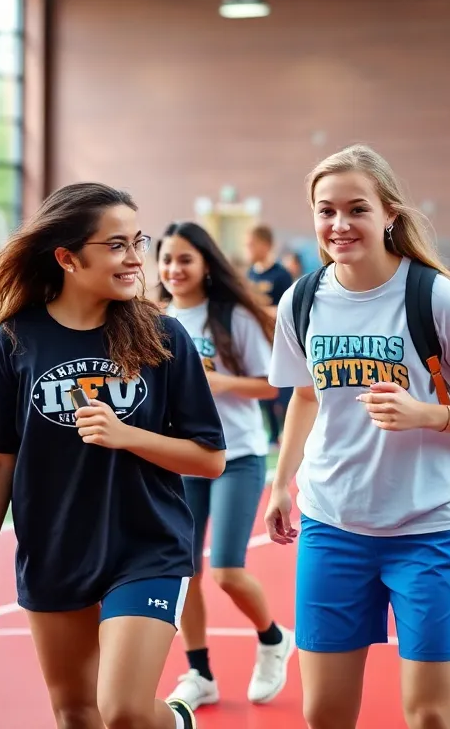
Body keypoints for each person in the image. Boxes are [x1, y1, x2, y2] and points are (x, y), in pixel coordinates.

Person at [265, 143, 450, 729]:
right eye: (325, 210)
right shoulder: (301, 301)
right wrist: (282, 484)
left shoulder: (435, 297)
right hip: (332, 526)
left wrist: (430, 415)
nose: (340, 224)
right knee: (324, 714)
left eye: (357, 209)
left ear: (390, 215)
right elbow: (306, 395)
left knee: (431, 715)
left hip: (426, 532)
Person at [0, 182, 227, 729]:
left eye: (137, 241)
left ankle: (175, 721)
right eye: (117, 245)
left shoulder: (162, 336)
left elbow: (209, 459)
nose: (135, 259)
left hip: (145, 545)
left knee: (124, 711)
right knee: (76, 713)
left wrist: (128, 434)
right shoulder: (16, 340)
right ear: (67, 258)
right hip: (54, 548)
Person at [156, 221, 296, 712]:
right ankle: (200, 672)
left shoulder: (233, 316)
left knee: (227, 570)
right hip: (183, 460)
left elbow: (271, 385)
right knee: (184, 573)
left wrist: (222, 384)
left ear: (205, 264)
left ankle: (274, 637)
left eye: (185, 259)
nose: (174, 269)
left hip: (237, 456)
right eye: (167, 260)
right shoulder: (159, 319)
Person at [244, 224, 295, 448]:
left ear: (264, 245)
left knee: (281, 385)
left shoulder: (281, 274)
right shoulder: (250, 274)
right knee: (259, 380)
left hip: (276, 339)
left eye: (251, 244)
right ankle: (272, 433)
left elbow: (285, 309)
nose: (248, 249)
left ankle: (287, 429)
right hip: (256, 339)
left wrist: (261, 312)